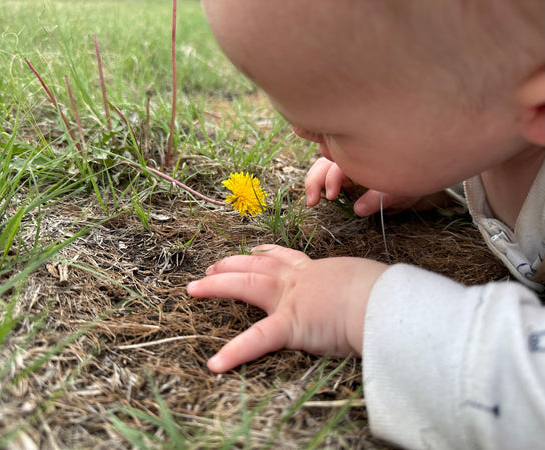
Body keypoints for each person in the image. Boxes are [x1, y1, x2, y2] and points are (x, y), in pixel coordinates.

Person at [187, 1, 545, 448]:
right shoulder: (502, 127)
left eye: (332, 131)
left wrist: (363, 307)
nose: (304, 136)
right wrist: (429, 183)